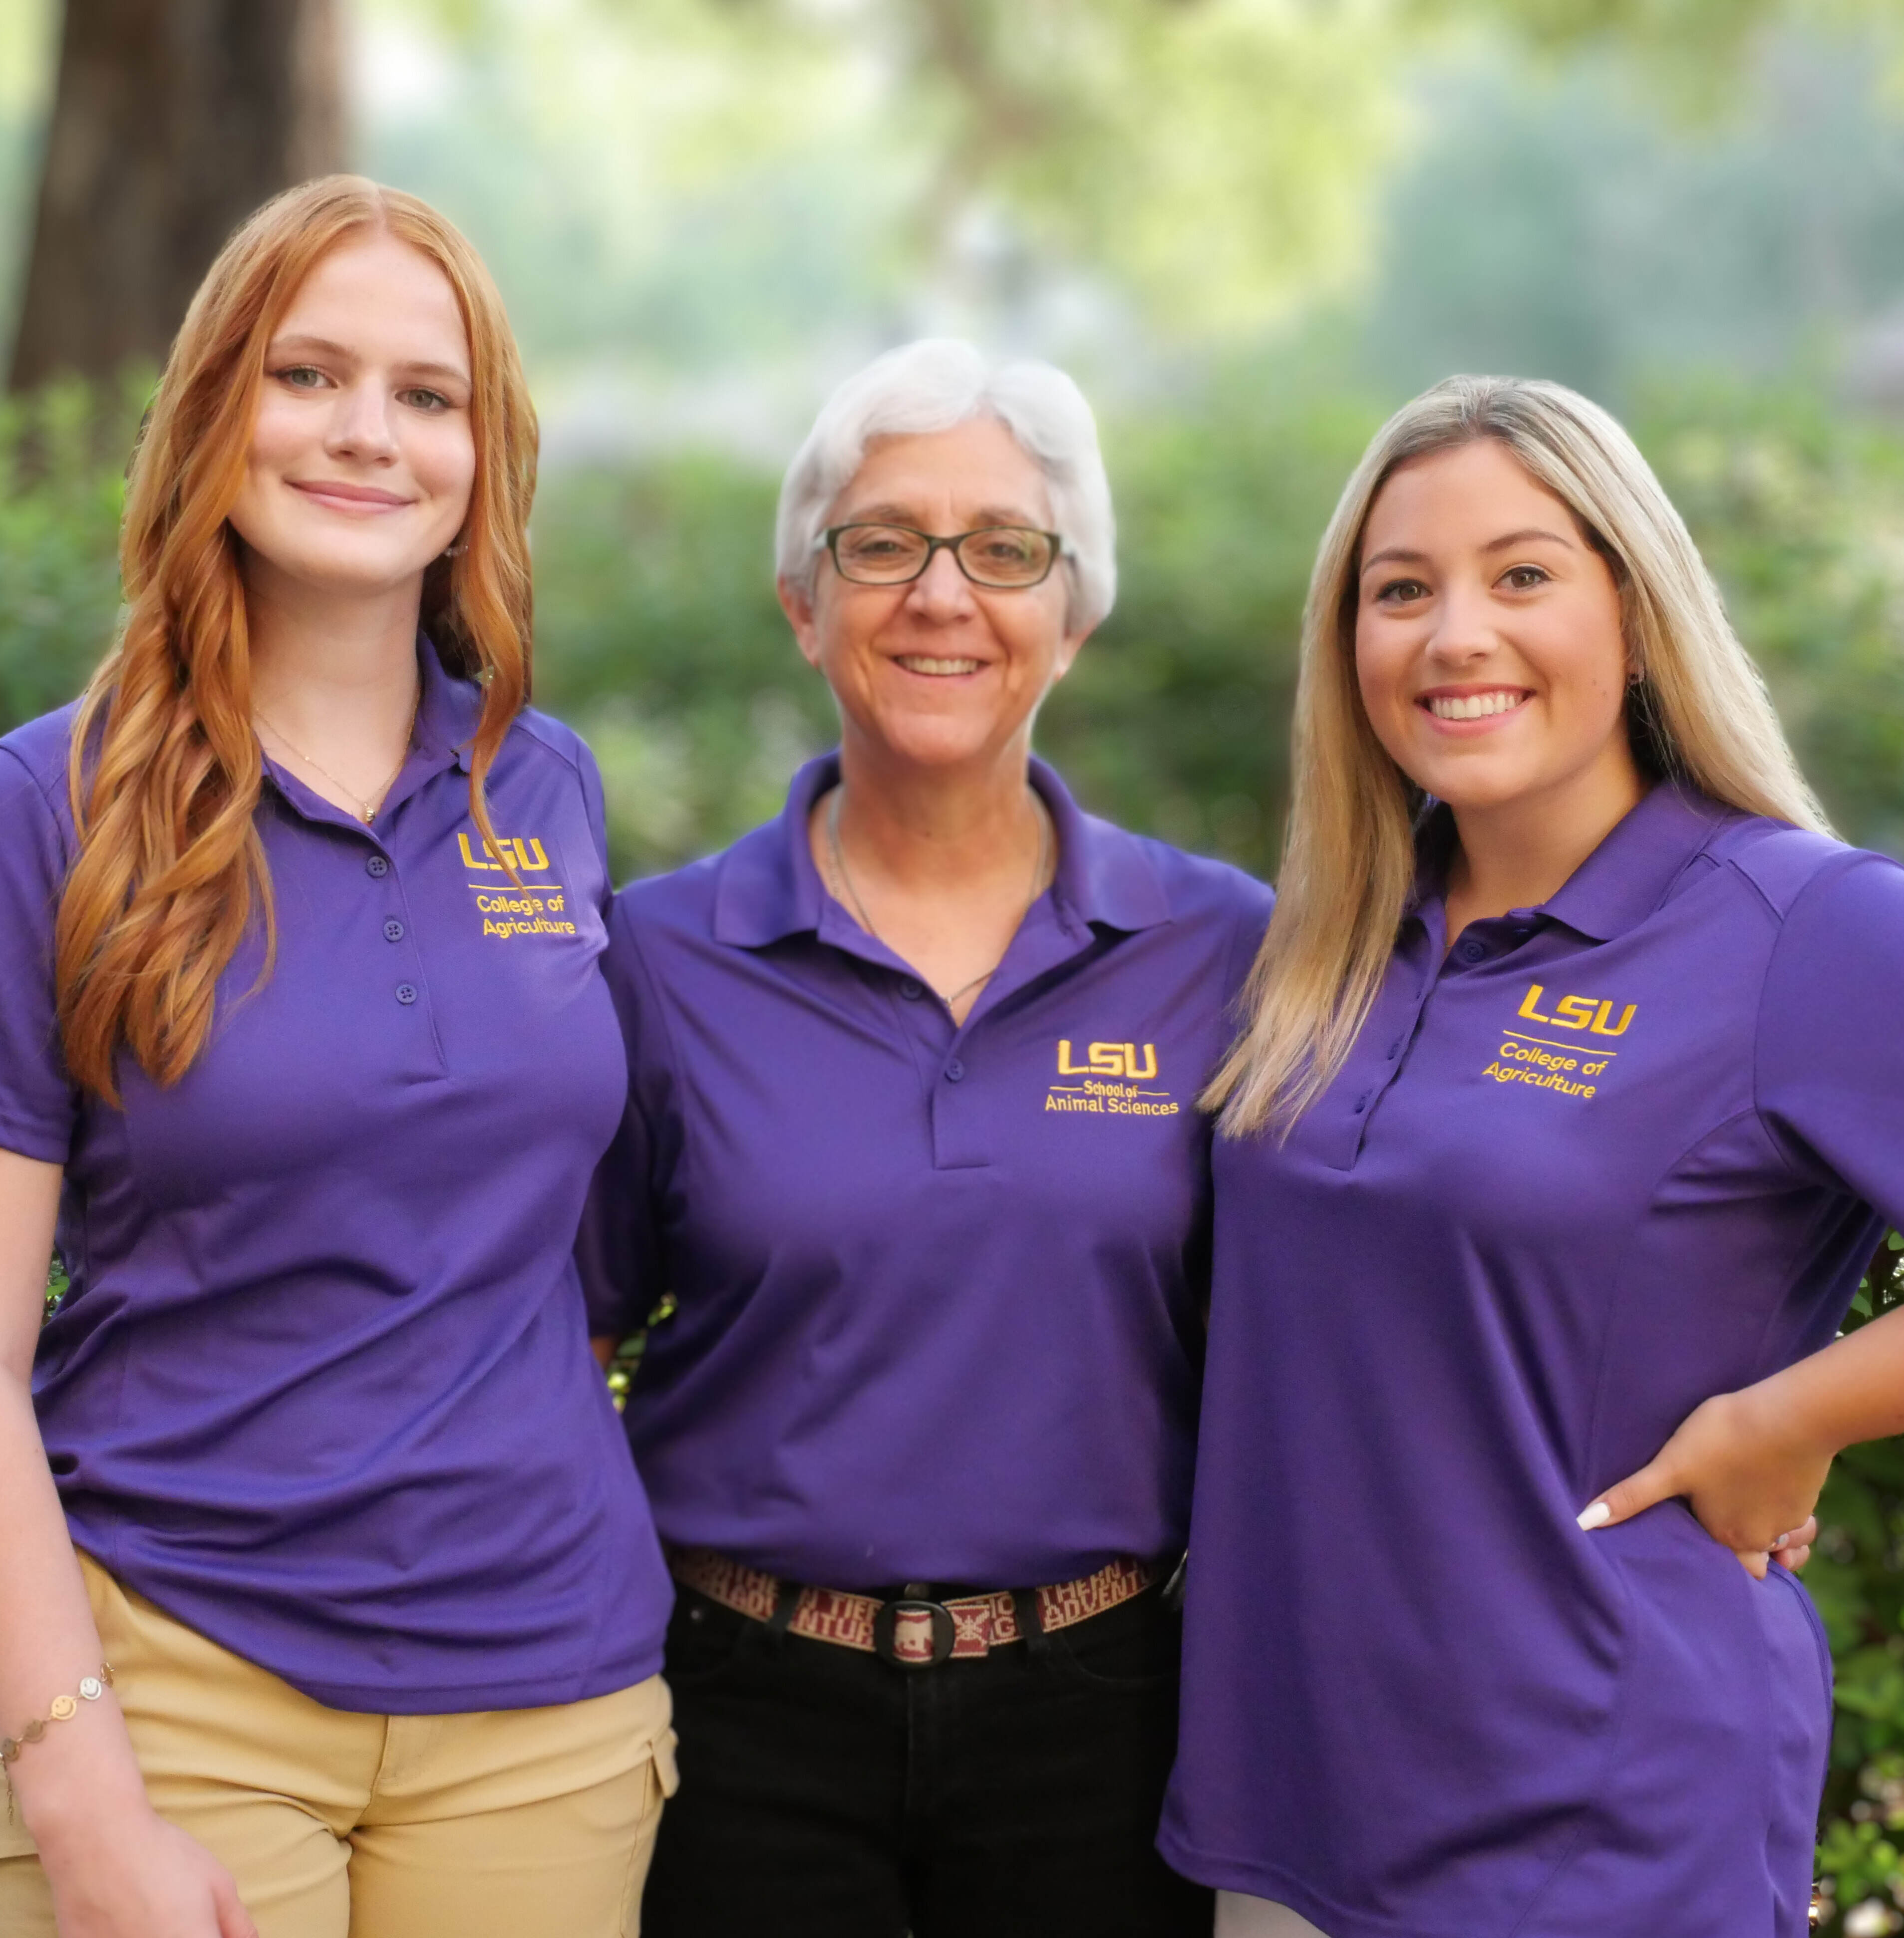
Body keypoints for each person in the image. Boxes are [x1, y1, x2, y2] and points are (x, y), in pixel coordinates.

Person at [1162, 374, 1904, 1938]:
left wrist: (1799, 1415)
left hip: (1598, 1826)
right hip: (1284, 1819)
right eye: (1401, 591)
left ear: (1637, 609)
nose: (1455, 633)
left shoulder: (1795, 925)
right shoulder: (1331, 947)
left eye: (1523, 574)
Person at [0, 177, 675, 1938]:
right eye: (308, 376)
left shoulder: (547, 789)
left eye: (426, 394)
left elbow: (557, 1250)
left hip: (548, 1697)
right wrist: (76, 1784)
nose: (367, 433)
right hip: (177, 1679)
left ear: (484, 456)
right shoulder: (43, 810)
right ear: (215, 408)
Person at [576, 338, 1267, 1938]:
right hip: (738, 1714)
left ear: (1074, 613)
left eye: (1006, 549)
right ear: (802, 604)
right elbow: (564, 1339)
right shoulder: (660, 960)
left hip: (1103, 1717)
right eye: (881, 543)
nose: (943, 594)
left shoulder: (1228, 954)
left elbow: (1368, 1296)